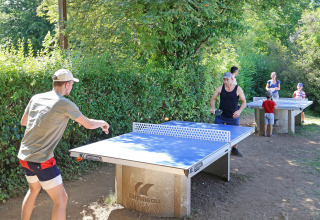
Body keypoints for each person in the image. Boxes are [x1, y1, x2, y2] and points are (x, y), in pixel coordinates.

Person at [18, 69, 110, 220]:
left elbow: (24, 122)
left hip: (24, 156)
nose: (72, 87)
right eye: (72, 84)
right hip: (41, 160)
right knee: (61, 199)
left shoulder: (36, 98)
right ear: (67, 84)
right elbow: (87, 124)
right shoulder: (65, 104)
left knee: (33, 190)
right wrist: (102, 123)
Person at [210, 72, 247, 157]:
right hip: (221, 115)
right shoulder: (220, 88)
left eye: (227, 79)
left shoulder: (238, 89)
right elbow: (213, 99)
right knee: (217, 133)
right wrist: (212, 108)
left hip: (233, 115)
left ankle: (234, 149)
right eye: (224, 80)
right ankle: (218, 151)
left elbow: (244, 102)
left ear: (232, 79)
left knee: (235, 134)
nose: (225, 81)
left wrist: (239, 111)